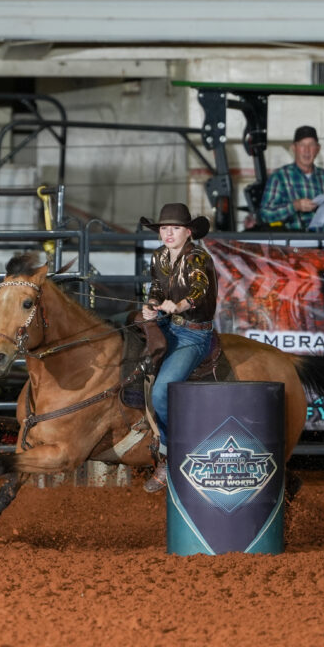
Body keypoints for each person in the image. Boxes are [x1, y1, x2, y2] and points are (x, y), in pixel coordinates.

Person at [139, 203, 218, 493]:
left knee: (162, 392)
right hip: (168, 326)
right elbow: (157, 288)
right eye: (163, 228)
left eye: (174, 228)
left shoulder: (198, 257)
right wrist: (151, 305)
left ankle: (172, 453)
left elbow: (200, 290)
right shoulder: (159, 256)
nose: (168, 233)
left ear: (188, 232)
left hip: (193, 335)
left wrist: (180, 305)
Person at [258, 125, 324, 231]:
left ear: (317, 149)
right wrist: (295, 206)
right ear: (294, 148)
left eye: (311, 145)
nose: (307, 150)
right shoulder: (279, 177)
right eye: (302, 145)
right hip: (292, 243)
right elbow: (265, 215)